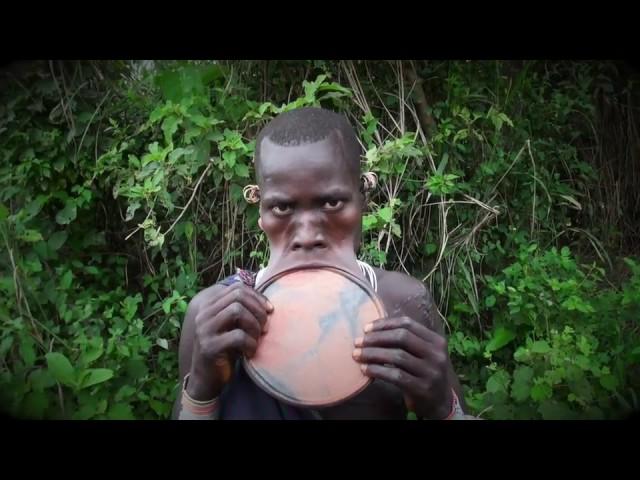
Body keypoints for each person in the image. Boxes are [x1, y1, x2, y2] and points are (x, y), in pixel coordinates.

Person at [174, 107, 471, 420]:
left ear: (362, 200)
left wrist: (444, 408)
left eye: (332, 203)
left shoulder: (404, 304)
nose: (307, 235)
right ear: (261, 211)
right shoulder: (214, 318)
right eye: (282, 207)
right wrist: (201, 391)